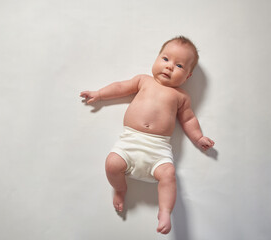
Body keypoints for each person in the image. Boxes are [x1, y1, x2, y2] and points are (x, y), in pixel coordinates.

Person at [80, 36, 215, 234]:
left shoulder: (181, 96)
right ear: (157, 58)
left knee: (168, 175)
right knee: (111, 164)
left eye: (178, 65)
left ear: (187, 76)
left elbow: (188, 120)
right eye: (165, 59)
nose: (169, 67)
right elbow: (120, 87)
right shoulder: (144, 81)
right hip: (130, 142)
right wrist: (99, 94)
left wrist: (198, 137)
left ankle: (165, 211)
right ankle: (120, 189)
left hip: (158, 149)